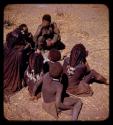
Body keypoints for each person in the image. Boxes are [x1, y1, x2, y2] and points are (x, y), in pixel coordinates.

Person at [4, 24, 35, 102]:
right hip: (14, 60)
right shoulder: (18, 52)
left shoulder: (9, 41)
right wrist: (26, 48)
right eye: (25, 31)